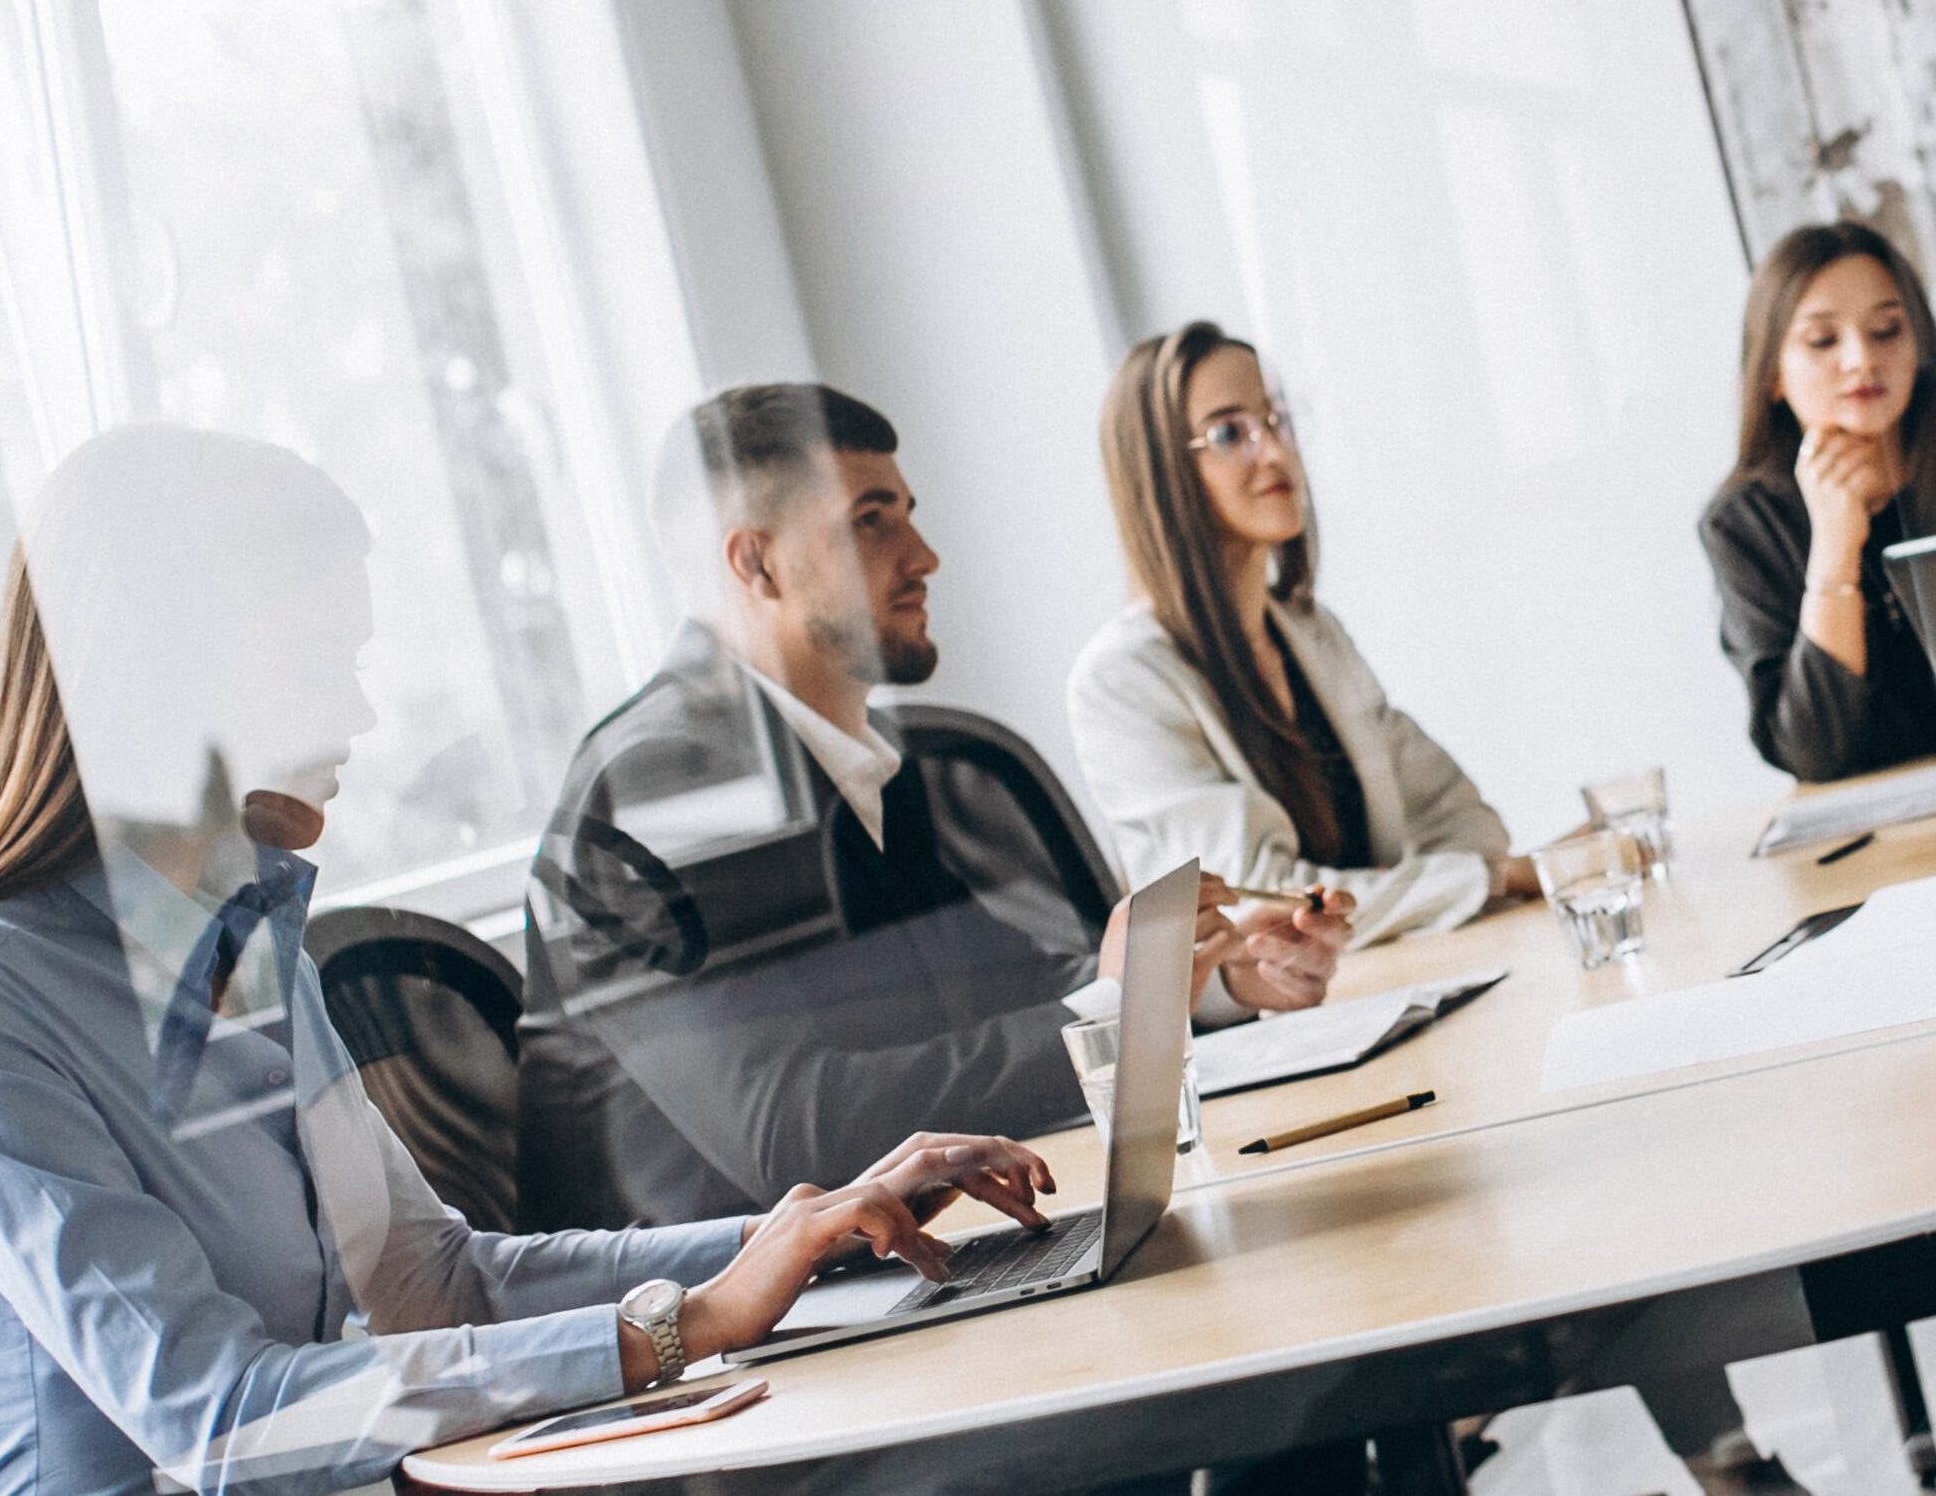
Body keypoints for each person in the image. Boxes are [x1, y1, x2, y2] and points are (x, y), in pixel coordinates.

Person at [0, 426, 1052, 1496]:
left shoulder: (229, 932)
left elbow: (432, 1276)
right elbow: (220, 1420)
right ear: (176, 670)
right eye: (318, 655)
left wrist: (789, 1234)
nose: (359, 713)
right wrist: (677, 1326)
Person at [520, 384, 1349, 1230]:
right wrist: (1111, 1005)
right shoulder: (660, 796)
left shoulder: (849, 755)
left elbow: (1001, 995)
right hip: (753, 1323)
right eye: (871, 521)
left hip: (927, 1247)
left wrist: (1195, 983)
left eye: (906, 513)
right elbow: (792, 1135)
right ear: (756, 564)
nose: (923, 555)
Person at [1069, 324, 1531, 945]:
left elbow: (1463, 820)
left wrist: (1462, 878)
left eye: (1277, 419)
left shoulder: (1312, 634)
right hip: (1281, 1028)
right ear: (1160, 472)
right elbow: (1260, 902)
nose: (1274, 452)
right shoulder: (1122, 681)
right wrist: (1480, 882)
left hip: (1400, 980)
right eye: (1231, 433)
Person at [1699, 222, 1936, 784]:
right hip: (1891, 837)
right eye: (1823, 340)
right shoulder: (1744, 524)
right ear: (1772, 375)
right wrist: (1833, 549)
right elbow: (1814, 751)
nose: (1861, 359)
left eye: (1886, 330)